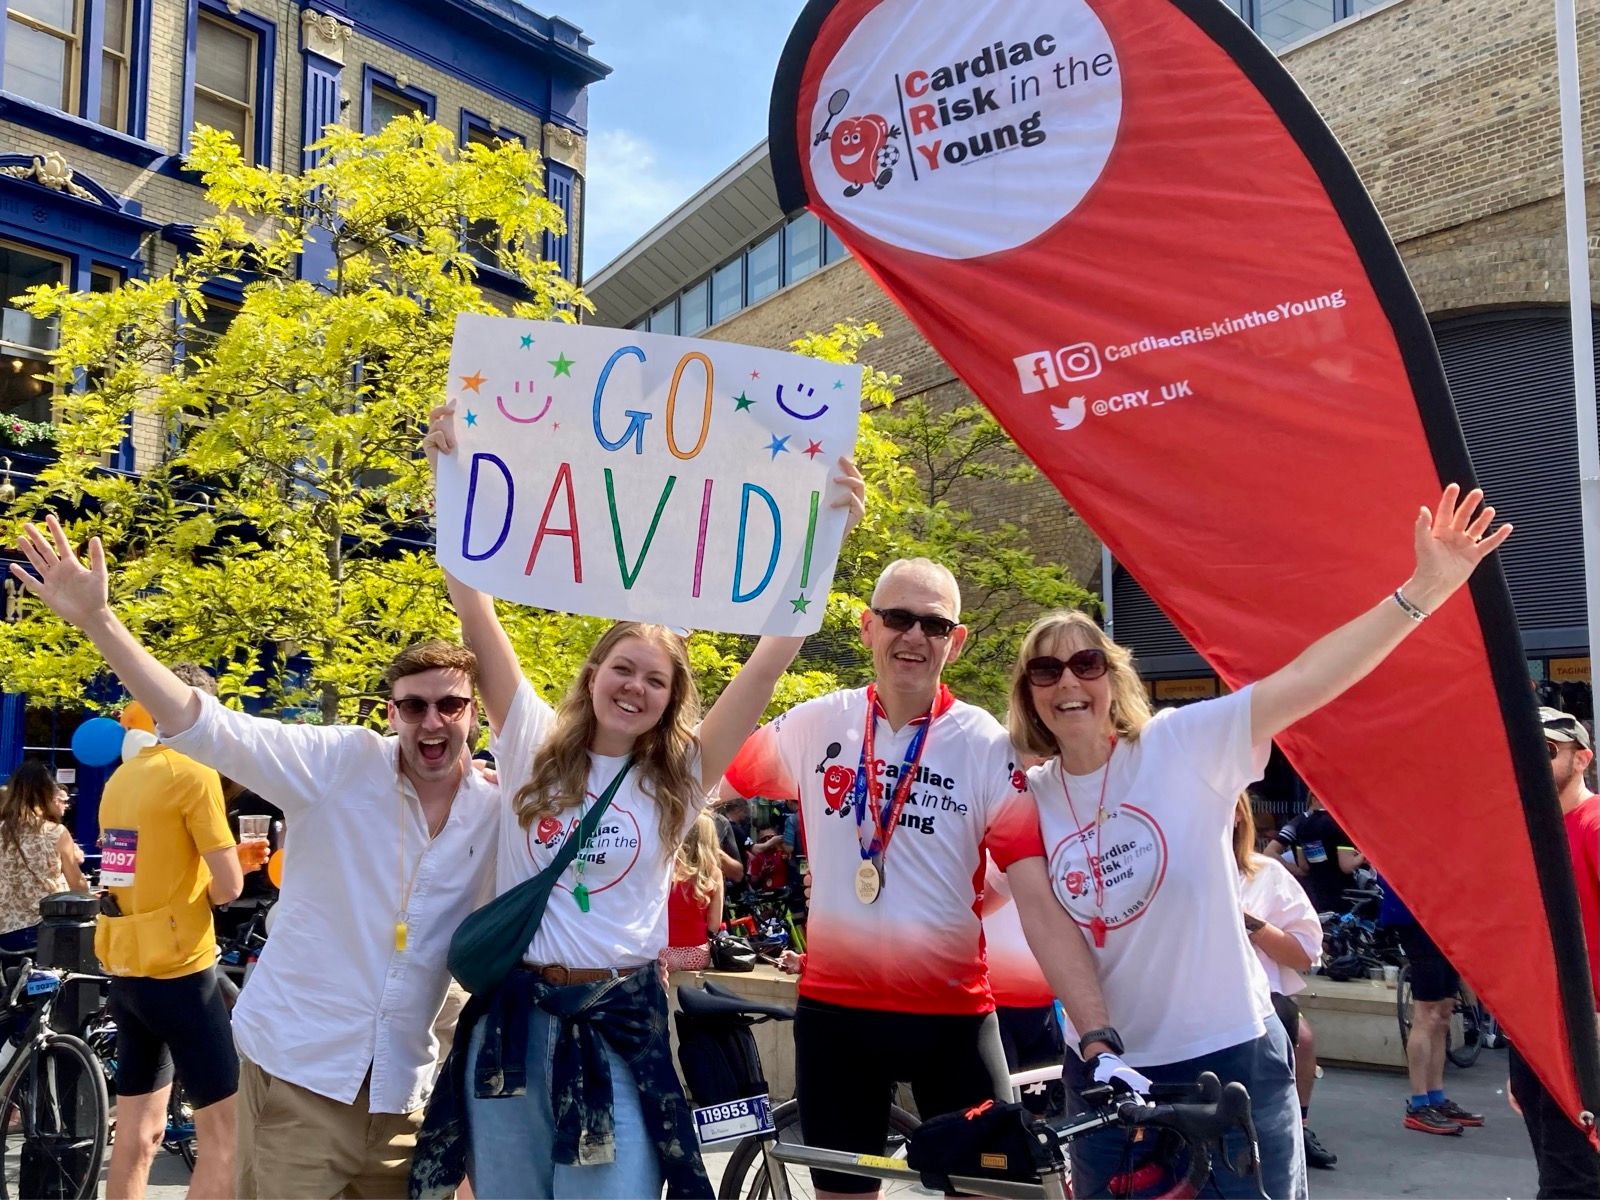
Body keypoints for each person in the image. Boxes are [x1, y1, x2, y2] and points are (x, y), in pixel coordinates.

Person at [411, 398, 866, 1199]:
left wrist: (823, 539)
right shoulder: (530, 739)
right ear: (594, 674)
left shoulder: (677, 777)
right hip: (515, 1026)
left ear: (669, 700)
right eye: (623, 668)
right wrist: (449, 472)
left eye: (656, 681)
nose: (636, 687)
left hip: (619, 1029)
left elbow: (767, 665)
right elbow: (473, 606)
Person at [1006, 484, 1510, 1199]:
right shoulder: (1031, 795)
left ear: (1113, 681)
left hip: (1230, 1058)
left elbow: (1307, 679)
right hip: (1108, 1070)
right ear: (1029, 694)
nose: (1067, 681)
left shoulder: (1182, 744)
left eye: (1086, 663)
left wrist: (1422, 590)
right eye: (1045, 670)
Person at [8, 515, 502, 1199]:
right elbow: (205, 724)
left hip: (404, 1102)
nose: (433, 721)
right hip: (298, 1082)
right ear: (389, 713)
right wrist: (100, 622)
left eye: (451, 705)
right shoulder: (340, 763)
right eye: (414, 706)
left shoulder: (495, 809)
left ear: (475, 712)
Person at [723, 556, 1127, 1199]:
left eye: (933, 624)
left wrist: (1096, 1029)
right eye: (897, 618)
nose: (914, 636)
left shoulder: (984, 742)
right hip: (837, 1017)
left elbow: (1038, 901)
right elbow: (708, 772)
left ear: (955, 641)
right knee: (843, 1195)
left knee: (994, 1193)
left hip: (953, 1019)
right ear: (867, 627)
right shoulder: (814, 723)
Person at [95, 667, 267, 1200]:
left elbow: (125, 878)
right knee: (227, 1137)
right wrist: (233, 865)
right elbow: (227, 889)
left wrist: (212, 865)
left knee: (137, 1137)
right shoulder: (195, 773)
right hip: (183, 973)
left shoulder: (121, 778)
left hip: (128, 969)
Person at [1507, 708, 1600, 1197]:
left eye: (1545, 750)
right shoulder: (1527, 834)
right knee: (1558, 1170)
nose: (1528, 761)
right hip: (1541, 1029)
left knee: (1572, 1180)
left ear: (1582, 758)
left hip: (1584, 1031)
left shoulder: (1594, 823)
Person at [1233, 795, 1336, 1169]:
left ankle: (1299, 1123)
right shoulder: (1166, 870)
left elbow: (1303, 954)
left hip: (1261, 998)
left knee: (1301, 1037)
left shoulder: (1266, 874)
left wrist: (1250, 923)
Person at [981, 854, 1066, 1117]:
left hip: (1043, 1010)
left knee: (1037, 1119)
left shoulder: (1058, 846)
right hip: (993, 1010)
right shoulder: (982, 846)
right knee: (1003, 1119)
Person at [0, 761, 86, 951]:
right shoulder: (55, 832)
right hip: (43, 926)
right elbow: (77, 884)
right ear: (46, 794)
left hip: (4, 928)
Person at [662, 812, 725, 973]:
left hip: (664, 951)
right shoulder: (714, 873)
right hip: (697, 953)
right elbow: (714, 925)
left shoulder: (665, 866)